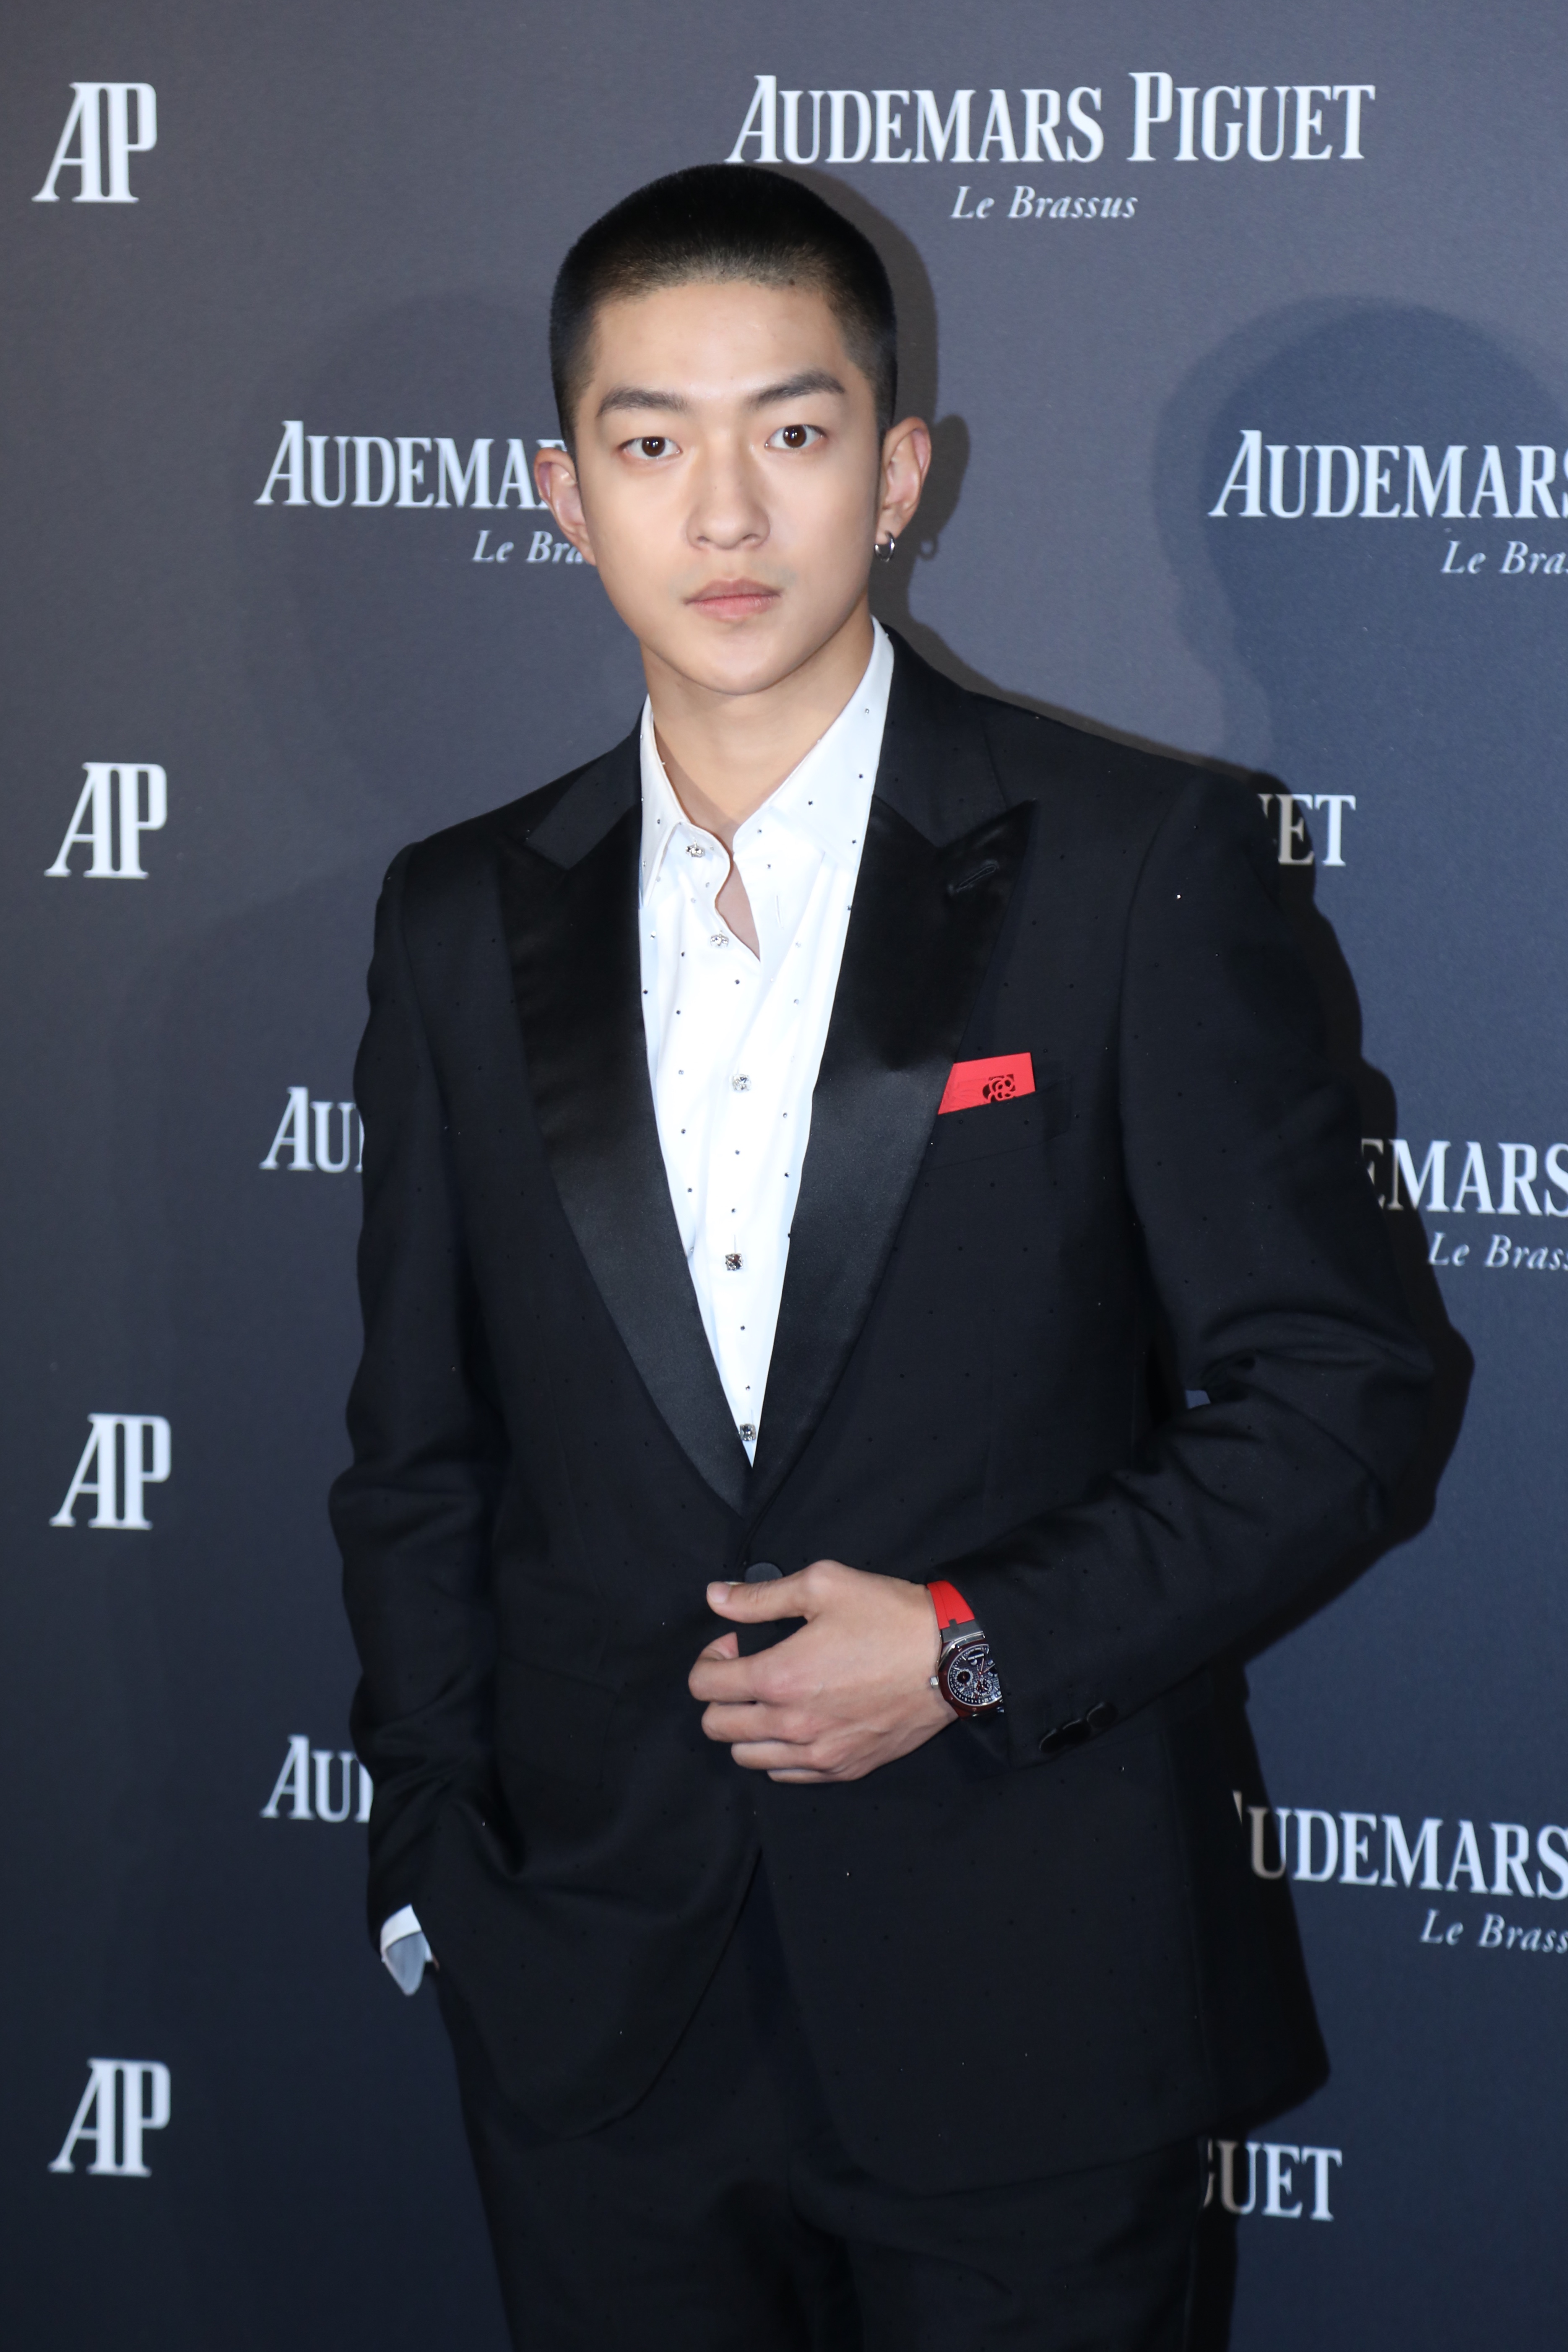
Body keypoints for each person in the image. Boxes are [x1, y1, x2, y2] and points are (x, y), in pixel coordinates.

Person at [330, 164, 1430, 2350]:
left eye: (796, 431)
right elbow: (420, 1457)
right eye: (653, 443)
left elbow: (1344, 1398)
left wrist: (968, 1643)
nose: (727, 512)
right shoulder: (458, 918)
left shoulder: (1134, 865)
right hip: (595, 2024)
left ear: (901, 472)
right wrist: (438, 1868)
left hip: (1030, 1996)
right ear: (563, 495)